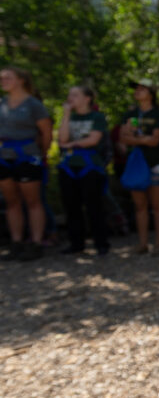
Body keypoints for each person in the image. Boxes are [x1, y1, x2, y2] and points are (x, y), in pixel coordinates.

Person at [0, 67, 52, 261]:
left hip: (28, 155)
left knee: (33, 201)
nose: (3, 81)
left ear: (21, 80)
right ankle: (16, 242)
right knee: (12, 202)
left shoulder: (33, 105)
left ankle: (36, 242)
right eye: (1, 78)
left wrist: (43, 153)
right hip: (4, 156)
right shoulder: (2, 103)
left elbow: (46, 132)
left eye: (7, 77)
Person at [56, 85, 110, 256]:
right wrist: (65, 115)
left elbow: (93, 140)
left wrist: (70, 145)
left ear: (87, 98)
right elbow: (61, 139)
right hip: (69, 165)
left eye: (75, 95)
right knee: (71, 205)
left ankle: (101, 243)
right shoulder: (69, 117)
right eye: (69, 95)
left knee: (94, 205)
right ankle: (76, 243)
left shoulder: (97, 117)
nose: (70, 98)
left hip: (90, 166)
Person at [119, 78, 159, 253]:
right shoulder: (131, 115)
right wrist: (142, 139)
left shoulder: (158, 114)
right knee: (140, 205)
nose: (137, 91)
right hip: (136, 165)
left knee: (157, 205)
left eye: (142, 88)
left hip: (155, 163)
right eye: (136, 89)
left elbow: (155, 140)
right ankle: (142, 244)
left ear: (151, 93)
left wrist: (137, 139)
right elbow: (124, 137)